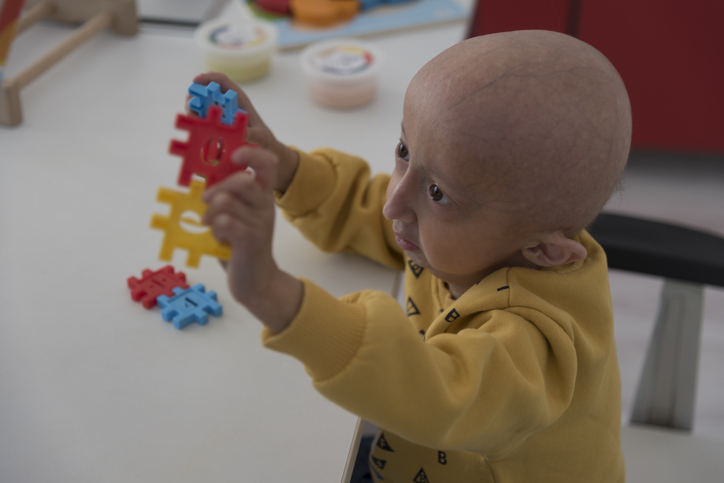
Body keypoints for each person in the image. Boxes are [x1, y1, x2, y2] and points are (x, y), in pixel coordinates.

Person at [197, 29, 632, 483]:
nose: (394, 204)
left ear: (543, 250)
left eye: (438, 192)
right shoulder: (456, 240)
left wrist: (275, 295)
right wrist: (285, 166)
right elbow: (367, 212)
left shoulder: (539, 344)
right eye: (404, 151)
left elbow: (442, 392)